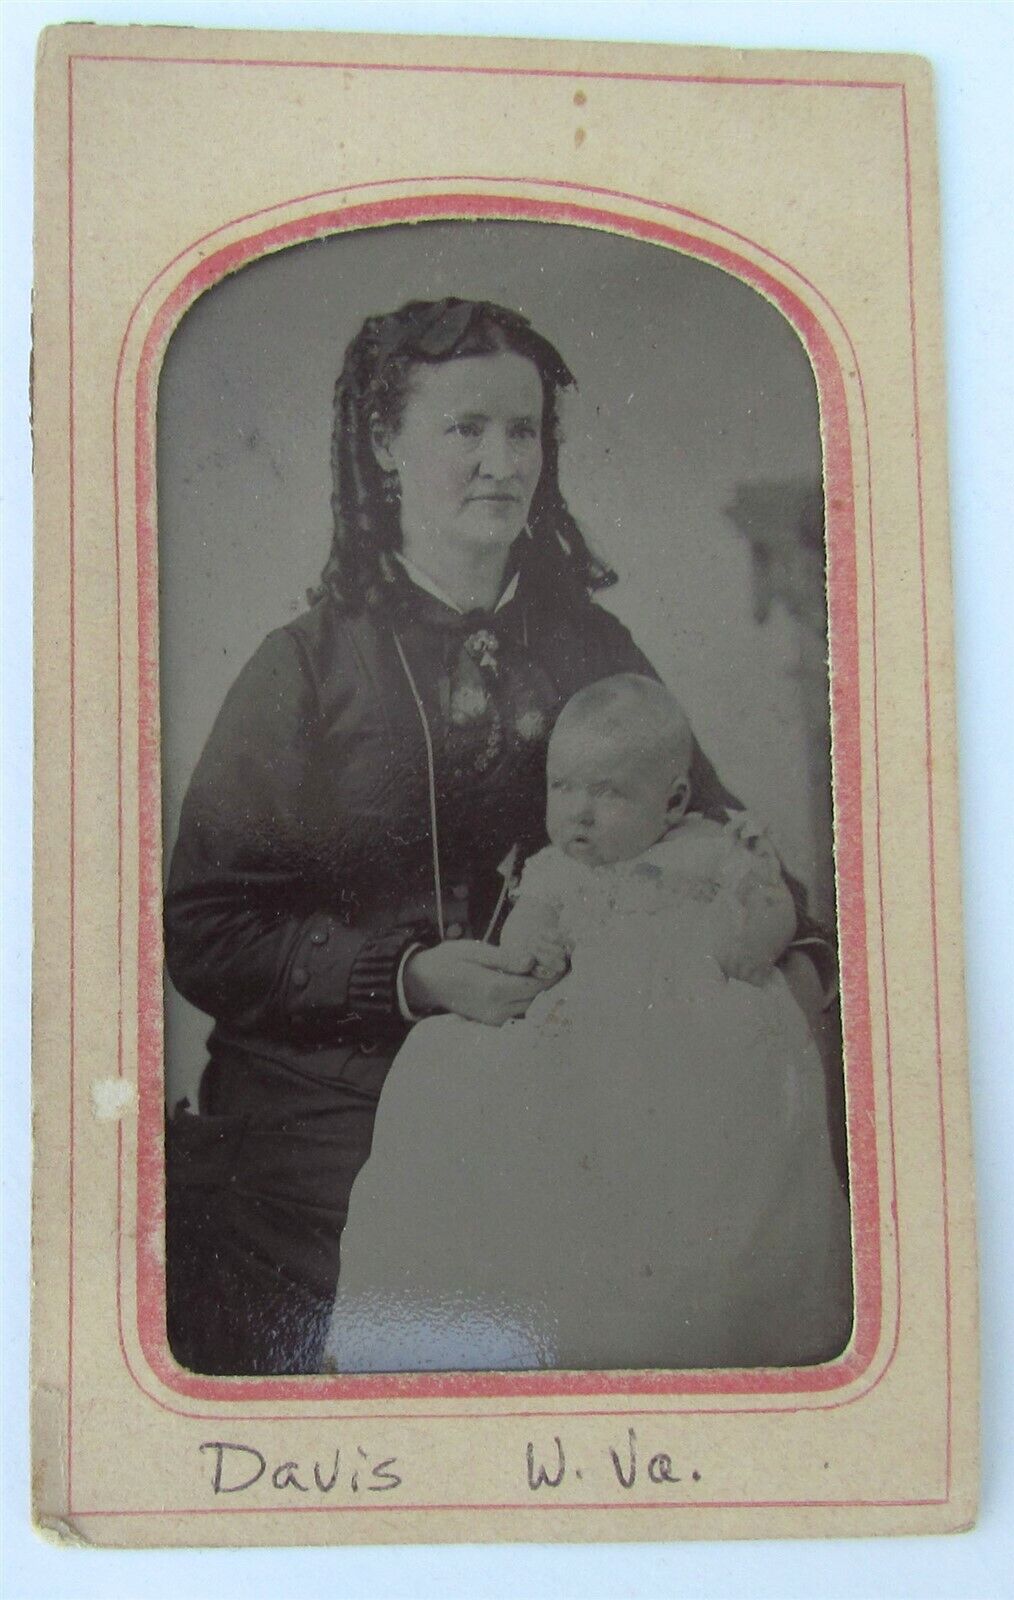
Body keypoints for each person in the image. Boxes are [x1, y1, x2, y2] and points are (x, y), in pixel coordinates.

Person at [163, 297, 835, 1376]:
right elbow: (204, 929)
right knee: (465, 1264)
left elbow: (702, 824)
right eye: (462, 430)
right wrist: (412, 974)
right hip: (334, 1086)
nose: (499, 462)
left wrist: (782, 947)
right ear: (384, 446)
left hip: (564, 1070)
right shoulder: (303, 668)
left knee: (720, 1228)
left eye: (521, 431)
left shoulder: (585, 645)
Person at [325, 677, 851, 1373]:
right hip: (582, 1025)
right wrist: (528, 947)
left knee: (726, 1110)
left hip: (687, 1018)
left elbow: (768, 917)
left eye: (608, 793)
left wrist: (754, 917)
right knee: (450, 1068)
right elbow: (531, 923)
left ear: (674, 802)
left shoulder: (707, 850)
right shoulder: (554, 871)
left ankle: (713, 1315)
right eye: (562, 787)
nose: (579, 814)